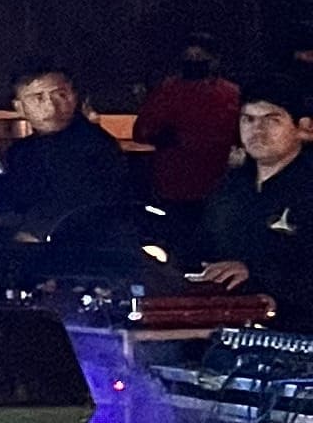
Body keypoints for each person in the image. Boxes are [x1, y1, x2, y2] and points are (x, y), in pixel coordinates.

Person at [0, 66, 146, 283]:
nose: (51, 105)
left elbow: (83, 197)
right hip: (45, 249)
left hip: (88, 255)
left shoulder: (95, 145)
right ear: (19, 107)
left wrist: (35, 230)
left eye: (60, 95)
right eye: (38, 97)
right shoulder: (21, 152)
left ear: (74, 97)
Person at [186, 82, 313, 318]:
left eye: (271, 120)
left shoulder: (306, 188)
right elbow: (202, 246)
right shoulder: (231, 187)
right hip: (225, 316)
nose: (257, 130)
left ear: (303, 128)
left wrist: (258, 276)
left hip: (295, 324)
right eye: (248, 120)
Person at [134, 40, 244, 215]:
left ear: (214, 60)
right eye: (189, 57)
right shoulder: (167, 90)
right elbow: (143, 130)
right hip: (174, 180)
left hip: (216, 180)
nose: (193, 62)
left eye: (199, 57)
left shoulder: (231, 94)